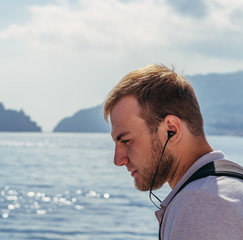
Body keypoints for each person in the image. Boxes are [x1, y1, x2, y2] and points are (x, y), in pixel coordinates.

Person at [103, 64, 243, 239]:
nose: (118, 160)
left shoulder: (201, 205)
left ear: (172, 130)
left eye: (126, 141)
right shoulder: (230, 187)